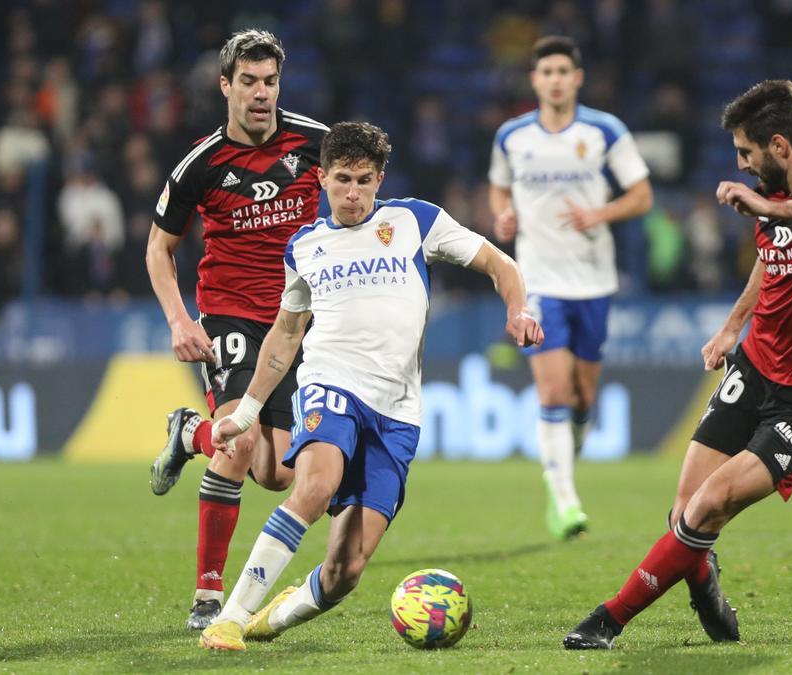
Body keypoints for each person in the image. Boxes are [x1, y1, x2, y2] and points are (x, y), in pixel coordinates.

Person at [563, 79, 792, 649]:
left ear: (780, 146)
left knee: (711, 504)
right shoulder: (774, 197)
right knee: (686, 512)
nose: (741, 164)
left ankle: (608, 620)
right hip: (758, 366)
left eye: (746, 152)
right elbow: (771, 262)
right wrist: (733, 326)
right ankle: (705, 582)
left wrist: (768, 204)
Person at [199, 121, 543, 650]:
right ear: (321, 178)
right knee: (313, 487)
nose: (353, 193)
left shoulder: (415, 220)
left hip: (398, 413)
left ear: (380, 178)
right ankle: (231, 615)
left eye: (363, 180)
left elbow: (500, 264)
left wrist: (518, 308)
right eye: (342, 180)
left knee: (346, 570)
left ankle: (265, 619)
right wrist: (245, 413)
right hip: (330, 384)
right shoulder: (305, 247)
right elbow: (285, 336)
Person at [144, 29, 329, 630]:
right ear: (225, 86)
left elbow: (360, 196)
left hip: (294, 321)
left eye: (269, 82)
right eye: (248, 81)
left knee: (276, 475)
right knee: (239, 443)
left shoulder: (317, 144)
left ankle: (187, 432)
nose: (260, 93)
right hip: (228, 315)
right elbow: (158, 248)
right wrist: (178, 318)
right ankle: (207, 595)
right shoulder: (201, 163)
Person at [488, 35, 652, 541]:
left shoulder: (605, 131)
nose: (555, 79)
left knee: (583, 396)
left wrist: (597, 213)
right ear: (535, 80)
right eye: (547, 71)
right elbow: (498, 186)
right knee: (553, 388)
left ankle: (566, 459)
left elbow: (642, 195)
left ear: (577, 78)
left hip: (593, 279)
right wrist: (503, 215)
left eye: (564, 70)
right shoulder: (512, 136)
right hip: (537, 280)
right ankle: (563, 500)